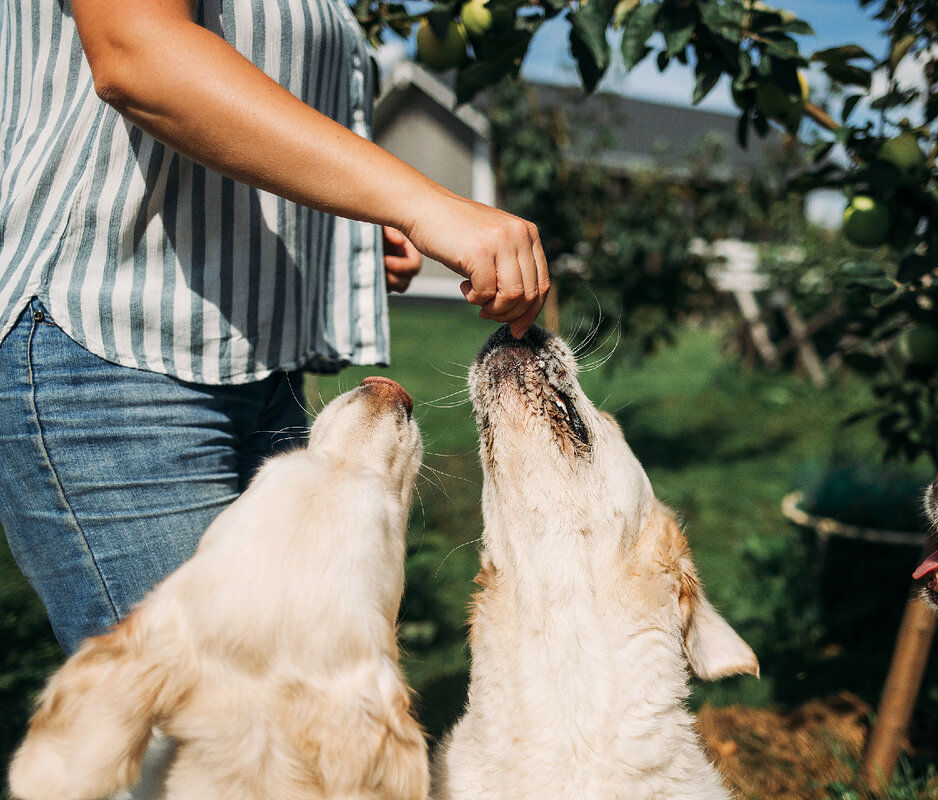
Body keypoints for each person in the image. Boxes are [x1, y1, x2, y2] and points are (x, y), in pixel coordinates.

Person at [0, 0, 550, 655]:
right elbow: (137, 51)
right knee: (212, 733)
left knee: (288, 709)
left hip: (262, 362)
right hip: (115, 349)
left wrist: (345, 227)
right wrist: (426, 203)